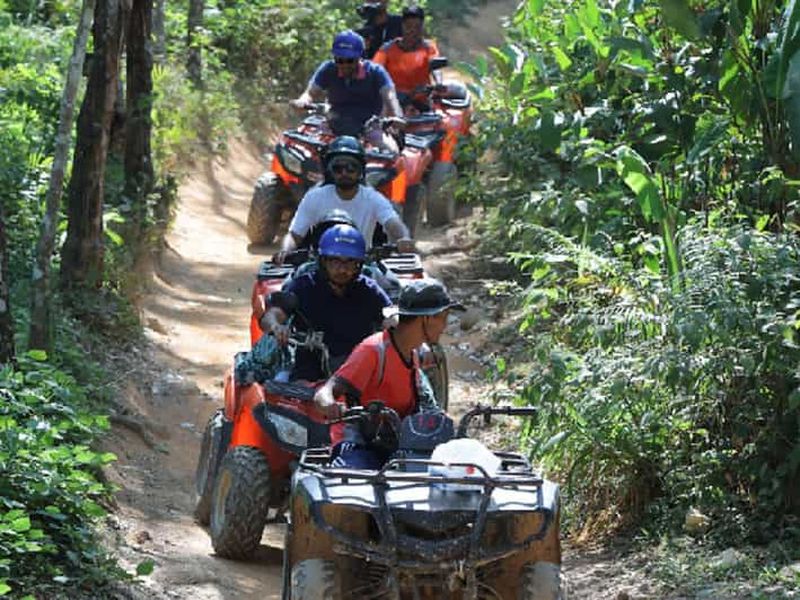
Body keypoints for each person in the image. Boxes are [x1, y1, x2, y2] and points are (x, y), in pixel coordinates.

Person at [313, 278, 466, 469]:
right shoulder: (373, 350)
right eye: (443, 318)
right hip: (358, 444)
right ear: (426, 318)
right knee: (358, 489)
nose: (444, 327)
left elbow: (425, 405)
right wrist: (329, 405)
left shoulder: (414, 353)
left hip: (396, 442)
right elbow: (324, 393)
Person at [260, 224, 392, 382]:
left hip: (359, 371)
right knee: (279, 388)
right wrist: (276, 326)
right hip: (308, 373)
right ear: (322, 261)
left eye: (350, 263)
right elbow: (273, 314)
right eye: (335, 262)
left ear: (359, 265)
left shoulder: (369, 289)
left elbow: (391, 317)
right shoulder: (303, 286)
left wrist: (407, 335)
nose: (342, 270)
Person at [274, 136, 414, 264]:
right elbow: (294, 235)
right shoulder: (314, 197)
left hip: (362, 266)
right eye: (338, 168)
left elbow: (393, 222)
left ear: (360, 171)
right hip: (318, 266)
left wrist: (403, 238)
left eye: (351, 168)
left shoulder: (373, 198)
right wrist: (286, 250)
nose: (344, 173)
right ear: (330, 171)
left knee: (394, 287)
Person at [290, 30, 404, 138]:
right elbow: (310, 92)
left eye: (349, 60)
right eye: (339, 60)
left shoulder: (375, 72)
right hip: (333, 123)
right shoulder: (328, 69)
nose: (344, 65)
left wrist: (397, 117)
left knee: (389, 152)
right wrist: (302, 102)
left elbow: (390, 96)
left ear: (359, 58)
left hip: (370, 127)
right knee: (307, 151)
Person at [372, 5, 442, 109]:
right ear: (402, 26)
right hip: (393, 103)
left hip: (421, 103)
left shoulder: (428, 47)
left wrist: (439, 83)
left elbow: (435, 66)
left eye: (417, 27)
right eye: (408, 26)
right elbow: (374, 71)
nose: (412, 30)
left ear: (422, 27)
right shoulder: (387, 49)